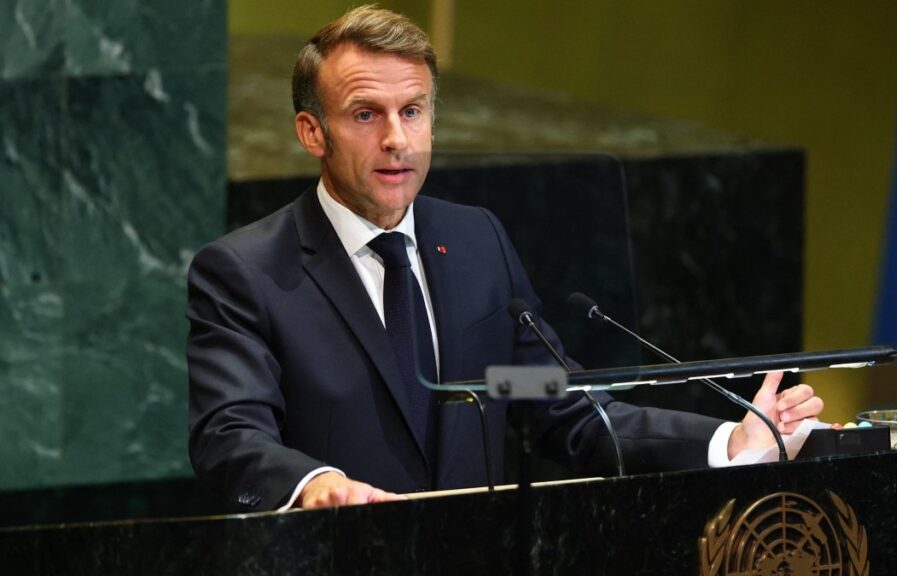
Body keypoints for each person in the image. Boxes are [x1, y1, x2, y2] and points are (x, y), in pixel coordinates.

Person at [186, 5, 823, 512]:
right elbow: (231, 434)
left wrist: (727, 441)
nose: (396, 139)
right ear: (311, 132)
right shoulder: (246, 272)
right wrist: (315, 483)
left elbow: (553, 397)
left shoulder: (475, 242)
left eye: (412, 111)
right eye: (364, 114)